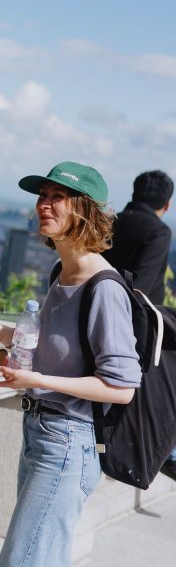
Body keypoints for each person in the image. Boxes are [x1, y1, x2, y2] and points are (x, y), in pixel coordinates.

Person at [0, 161, 141, 567]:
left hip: (67, 445)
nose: (43, 205)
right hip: (41, 437)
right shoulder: (62, 271)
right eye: (41, 196)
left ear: (82, 210)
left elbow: (122, 386)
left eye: (56, 198)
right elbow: (50, 339)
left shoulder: (103, 289)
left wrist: (36, 379)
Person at [104, 169, 176, 479]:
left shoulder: (112, 222)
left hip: (99, 315)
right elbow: (142, 287)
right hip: (134, 326)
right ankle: (168, 455)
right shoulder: (158, 231)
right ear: (167, 204)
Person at [104, 169, 173, 305]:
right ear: (167, 205)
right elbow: (139, 288)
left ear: (133, 194)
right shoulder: (159, 232)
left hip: (94, 303)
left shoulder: (107, 222)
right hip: (134, 319)